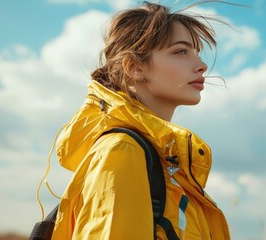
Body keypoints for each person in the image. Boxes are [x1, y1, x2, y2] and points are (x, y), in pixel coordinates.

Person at [50, 1, 230, 240]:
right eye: (181, 51)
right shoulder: (122, 151)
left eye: (197, 53)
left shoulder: (164, 161)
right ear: (135, 67)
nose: (201, 65)